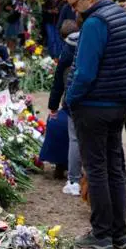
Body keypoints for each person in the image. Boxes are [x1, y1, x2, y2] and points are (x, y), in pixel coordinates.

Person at [63, 0, 126, 249]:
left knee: (96, 171)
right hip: (118, 104)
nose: (73, 10)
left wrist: (70, 99)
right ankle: (119, 233)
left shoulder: (96, 22)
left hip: (95, 106)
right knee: (115, 169)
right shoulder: (119, 15)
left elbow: (84, 72)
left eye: (74, 4)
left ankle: (102, 234)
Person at [47, 19, 81, 195]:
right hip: (96, 99)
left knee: (74, 138)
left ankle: (73, 178)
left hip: (72, 101)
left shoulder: (66, 52)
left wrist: (53, 106)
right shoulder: (88, 42)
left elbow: (58, 82)